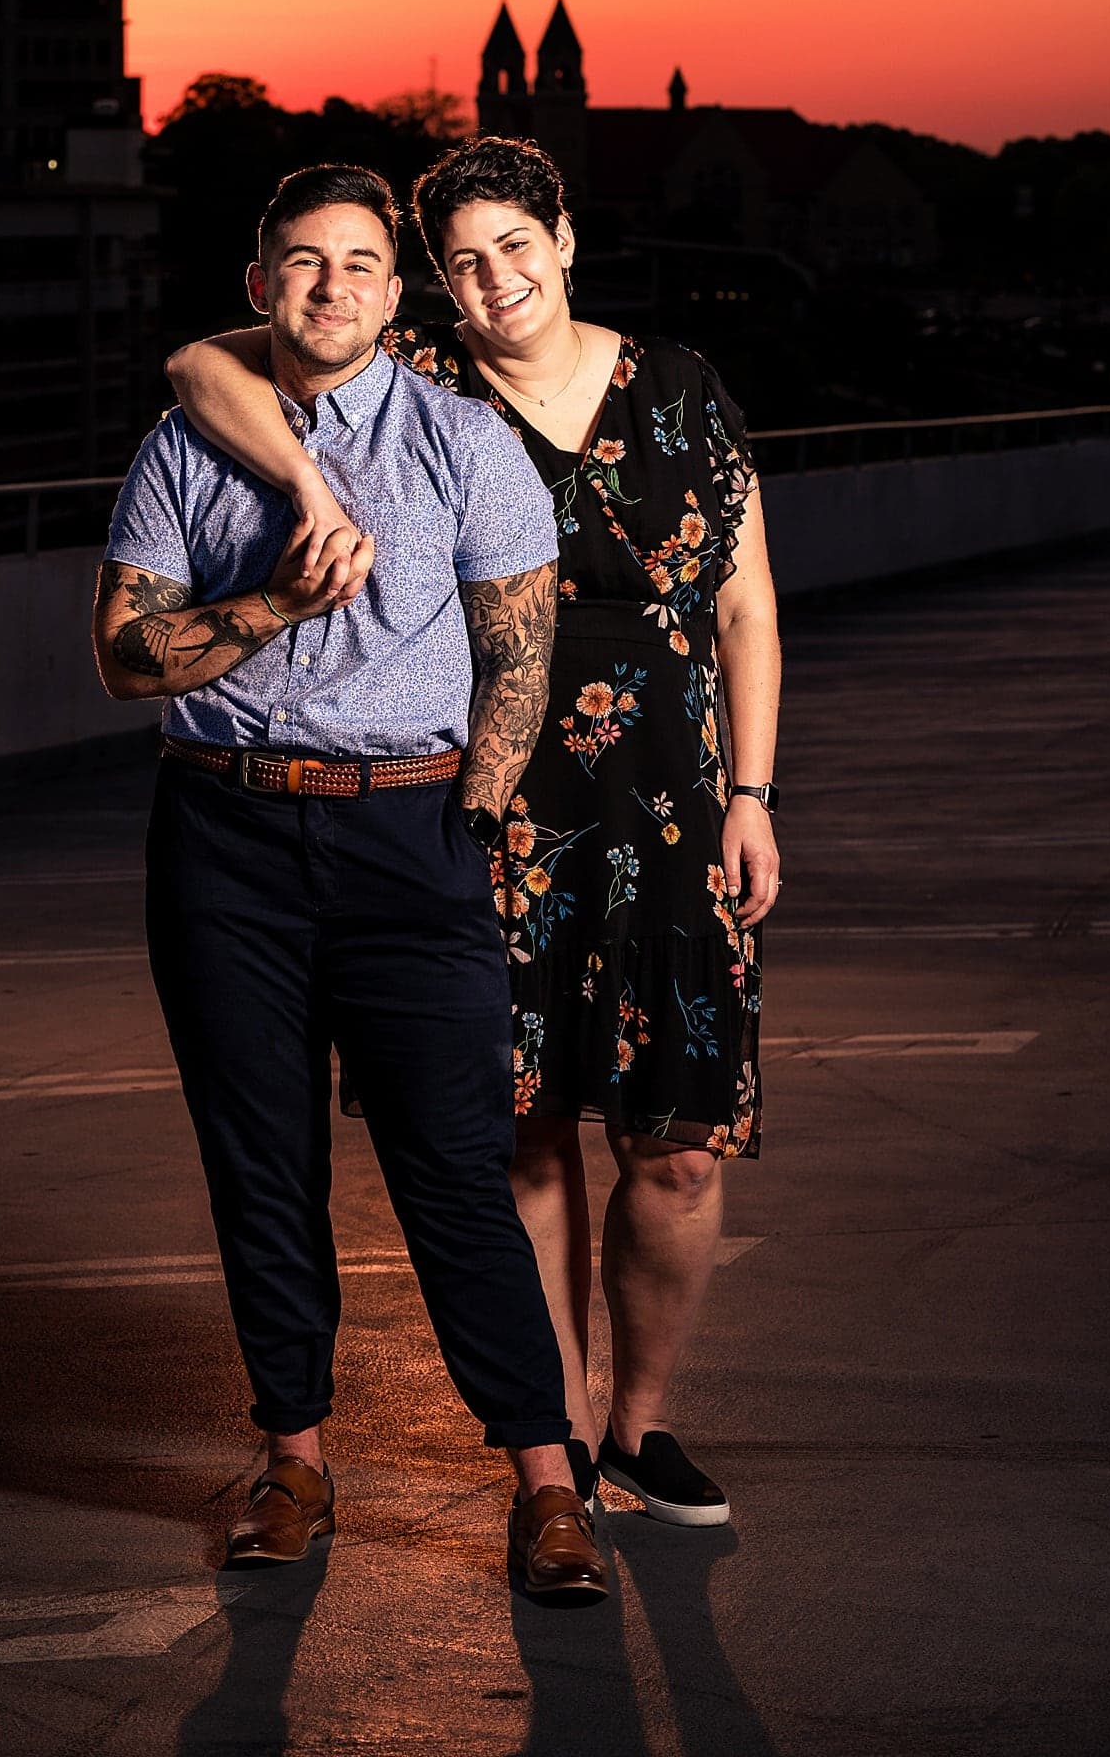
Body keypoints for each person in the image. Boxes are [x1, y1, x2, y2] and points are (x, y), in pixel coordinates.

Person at [166, 136, 783, 1529]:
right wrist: (316, 492)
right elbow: (201, 369)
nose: (496, 278)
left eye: (517, 245)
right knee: (521, 1138)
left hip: (674, 810)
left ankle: (640, 1423)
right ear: (432, 289)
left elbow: (745, 608)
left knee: (677, 1146)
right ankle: (553, 1443)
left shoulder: (679, 389)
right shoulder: (421, 394)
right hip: (478, 805)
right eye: (461, 262)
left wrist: (753, 795)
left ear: (563, 239)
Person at [94, 161, 608, 1598]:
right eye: (304, 264)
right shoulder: (186, 447)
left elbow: (519, 659)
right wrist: (274, 603)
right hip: (223, 836)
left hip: (408, 835)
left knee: (456, 1172)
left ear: (401, 294)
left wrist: (482, 830)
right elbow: (124, 659)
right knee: (262, 1165)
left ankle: (549, 1487)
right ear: (262, 284)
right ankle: (294, 1462)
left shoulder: (464, 442)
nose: (333, 287)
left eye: (365, 265)